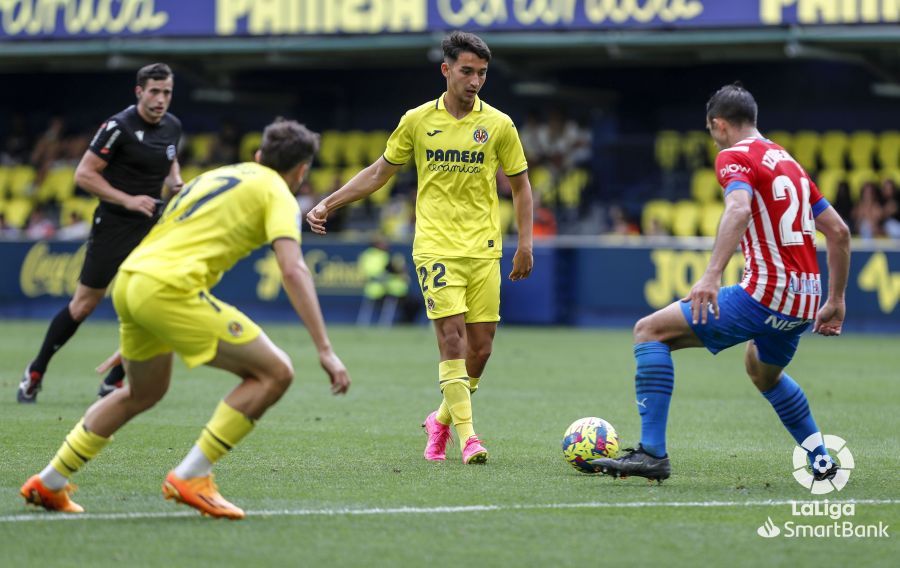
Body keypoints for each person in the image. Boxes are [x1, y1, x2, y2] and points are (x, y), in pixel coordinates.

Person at [20, 118, 351, 519]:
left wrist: (140, 321)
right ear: (301, 171)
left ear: (259, 155)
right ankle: (192, 475)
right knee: (275, 372)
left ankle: (50, 481)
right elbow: (293, 268)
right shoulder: (278, 192)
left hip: (131, 281)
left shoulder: (214, 177)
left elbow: (167, 238)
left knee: (142, 392)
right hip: (167, 290)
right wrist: (325, 350)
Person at [590, 84, 851, 483]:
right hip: (804, 302)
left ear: (719, 124)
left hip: (766, 292)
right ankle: (819, 457)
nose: (714, 140)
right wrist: (835, 298)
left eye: (712, 132)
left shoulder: (734, 156)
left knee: (649, 332)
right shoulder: (789, 162)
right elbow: (839, 232)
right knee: (762, 371)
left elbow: (739, 207)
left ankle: (652, 454)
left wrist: (711, 275)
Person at [307, 31, 534, 464]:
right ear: (446, 70)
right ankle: (469, 439)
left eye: (482, 73)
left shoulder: (499, 125)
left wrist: (525, 244)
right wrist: (328, 202)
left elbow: (521, 188)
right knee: (451, 339)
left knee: (480, 349)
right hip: (434, 246)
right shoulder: (417, 121)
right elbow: (378, 173)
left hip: (484, 248)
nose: (475, 81)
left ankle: (441, 420)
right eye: (467, 71)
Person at [17, 63, 184, 403]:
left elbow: (169, 159)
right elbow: (84, 175)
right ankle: (36, 371)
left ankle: (114, 379)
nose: (160, 99)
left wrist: (176, 183)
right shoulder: (118, 127)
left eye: (166, 92)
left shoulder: (172, 126)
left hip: (152, 228)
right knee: (83, 306)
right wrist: (129, 200)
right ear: (139, 92)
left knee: (154, 304)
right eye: (154, 91)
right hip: (114, 225)